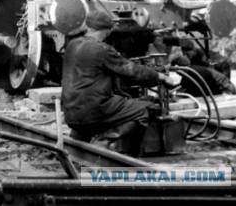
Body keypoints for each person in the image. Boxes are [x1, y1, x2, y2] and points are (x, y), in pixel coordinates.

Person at [62, 10, 176, 150]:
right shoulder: (102, 49)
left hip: (71, 112)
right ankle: (105, 142)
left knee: (105, 104)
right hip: (92, 110)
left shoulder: (72, 45)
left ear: (88, 27)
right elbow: (132, 71)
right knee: (144, 109)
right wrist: (159, 76)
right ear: (108, 31)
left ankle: (78, 140)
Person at [172, 55, 236, 95]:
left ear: (178, 67)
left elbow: (186, 90)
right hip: (224, 89)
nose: (176, 73)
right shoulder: (191, 70)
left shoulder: (193, 72)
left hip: (227, 91)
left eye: (175, 70)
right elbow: (181, 86)